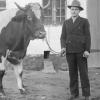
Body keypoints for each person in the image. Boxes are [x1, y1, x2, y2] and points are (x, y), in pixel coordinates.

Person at [60, 0, 91, 100]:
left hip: (81, 52)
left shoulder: (84, 21)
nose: (73, 11)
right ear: (70, 10)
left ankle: (87, 95)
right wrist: (63, 47)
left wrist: (87, 50)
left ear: (79, 11)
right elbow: (63, 37)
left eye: (76, 9)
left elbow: (87, 36)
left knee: (84, 74)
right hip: (69, 52)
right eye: (72, 9)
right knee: (72, 74)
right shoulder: (66, 22)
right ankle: (74, 94)